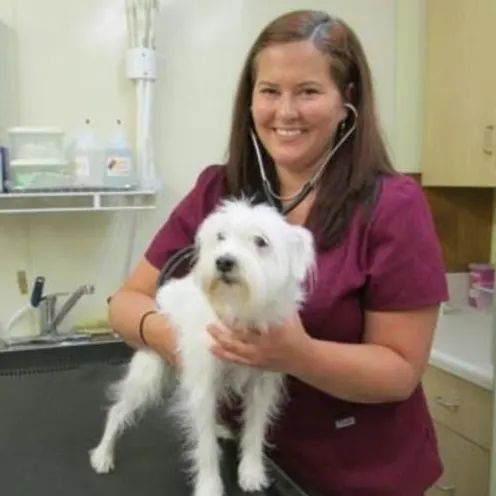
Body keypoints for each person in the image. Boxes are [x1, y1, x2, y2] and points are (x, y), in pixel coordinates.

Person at [108, 9, 448, 496]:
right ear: (250, 100)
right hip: (243, 467)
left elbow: (399, 372)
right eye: (269, 91)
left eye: (308, 92)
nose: (284, 112)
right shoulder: (217, 189)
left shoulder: (392, 207)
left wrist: (298, 355)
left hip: (360, 475)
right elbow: (124, 303)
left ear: (345, 101)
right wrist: (180, 337)